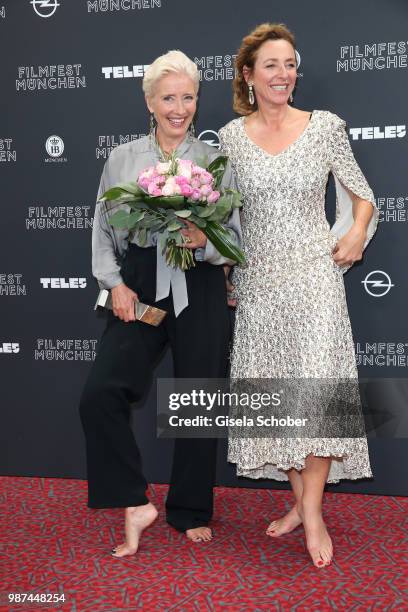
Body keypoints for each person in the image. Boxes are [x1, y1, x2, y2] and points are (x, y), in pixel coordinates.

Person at [219, 23, 378, 568]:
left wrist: (355, 233)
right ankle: (302, 503)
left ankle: (310, 515)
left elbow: (363, 198)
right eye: (271, 65)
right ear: (249, 75)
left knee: (315, 399)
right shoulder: (230, 138)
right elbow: (227, 220)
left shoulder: (326, 127)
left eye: (290, 64)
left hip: (314, 281)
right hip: (260, 285)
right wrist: (226, 273)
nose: (283, 74)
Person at [79, 50, 241, 557]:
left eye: (187, 97)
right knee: (100, 393)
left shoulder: (215, 161)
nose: (178, 108)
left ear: (197, 101)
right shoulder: (123, 158)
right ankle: (134, 500)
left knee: (198, 398)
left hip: (201, 282)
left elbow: (236, 236)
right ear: (149, 101)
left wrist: (203, 241)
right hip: (140, 280)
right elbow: (103, 230)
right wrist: (114, 284)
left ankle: (189, 509)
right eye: (168, 98)